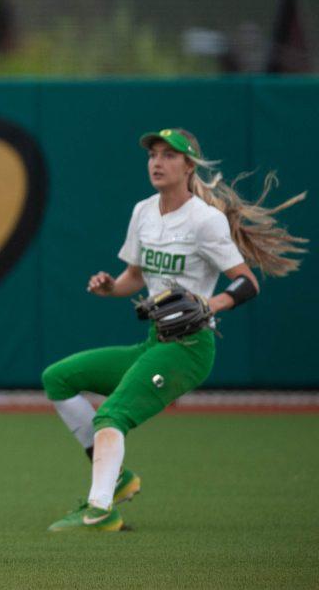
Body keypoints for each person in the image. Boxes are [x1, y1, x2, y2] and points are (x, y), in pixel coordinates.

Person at [42, 128, 306, 532]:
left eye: (169, 155)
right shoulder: (143, 211)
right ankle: (120, 479)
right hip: (154, 342)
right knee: (58, 378)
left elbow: (246, 281)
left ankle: (99, 510)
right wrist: (110, 287)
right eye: (153, 154)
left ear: (189, 166)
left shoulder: (206, 220)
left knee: (111, 414)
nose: (157, 162)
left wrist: (209, 304)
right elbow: (132, 277)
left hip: (189, 348)